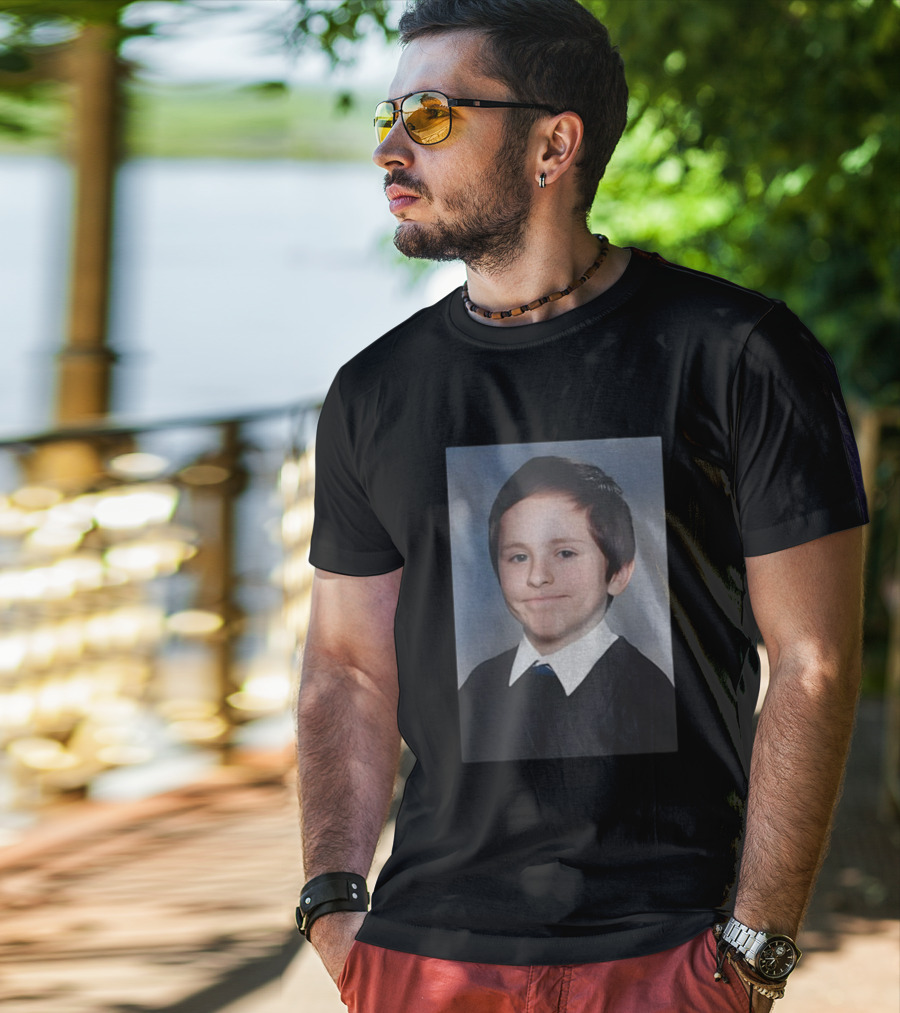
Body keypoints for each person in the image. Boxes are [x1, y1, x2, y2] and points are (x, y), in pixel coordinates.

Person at [296, 1, 868, 1011]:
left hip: (668, 952)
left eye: (430, 115)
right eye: (386, 115)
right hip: (424, 955)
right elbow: (346, 664)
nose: (389, 145)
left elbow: (814, 661)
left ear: (553, 142)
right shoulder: (375, 390)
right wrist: (337, 909)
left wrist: (756, 949)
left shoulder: (738, 353)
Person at [459, 454, 676, 761]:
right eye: (519, 557)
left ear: (618, 573)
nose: (537, 577)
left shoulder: (647, 693)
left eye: (564, 553)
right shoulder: (478, 688)